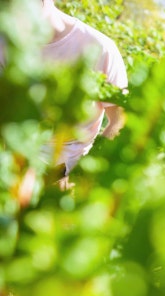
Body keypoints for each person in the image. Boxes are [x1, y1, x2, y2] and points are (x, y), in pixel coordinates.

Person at [0, 0, 128, 189]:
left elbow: (120, 121)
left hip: (68, 172)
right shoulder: (5, 45)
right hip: (14, 166)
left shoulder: (99, 47)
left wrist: (81, 177)